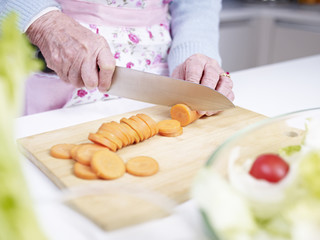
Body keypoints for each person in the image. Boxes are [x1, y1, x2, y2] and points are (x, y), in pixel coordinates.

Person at [0, 0, 234, 116]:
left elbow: (198, 5)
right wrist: (46, 24)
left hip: (158, 79)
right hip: (52, 70)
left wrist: (195, 52)